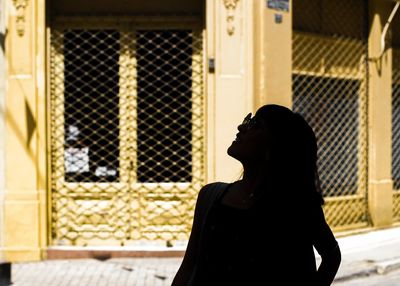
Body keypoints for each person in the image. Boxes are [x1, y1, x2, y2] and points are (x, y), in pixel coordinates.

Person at [172, 104, 341, 286]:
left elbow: (331, 256)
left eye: (255, 124)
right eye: (248, 121)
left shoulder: (296, 206)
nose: (241, 127)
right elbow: (189, 265)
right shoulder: (210, 196)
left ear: (275, 145)